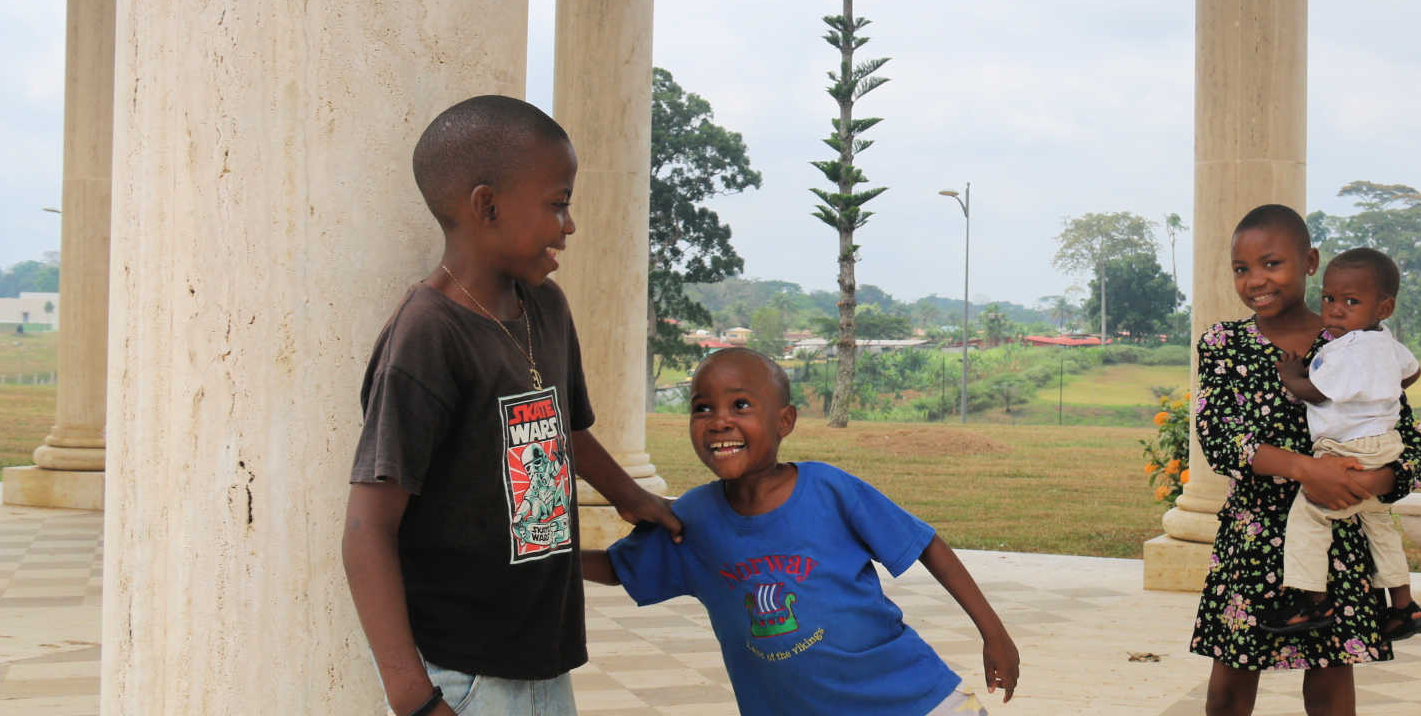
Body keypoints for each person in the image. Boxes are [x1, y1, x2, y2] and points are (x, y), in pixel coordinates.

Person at [341, 95, 683, 716]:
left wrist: (634, 499)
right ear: (487, 206)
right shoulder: (427, 336)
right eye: (558, 203)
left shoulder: (545, 308)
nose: (569, 225)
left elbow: (565, 432)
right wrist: (413, 697)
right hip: (465, 674)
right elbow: (368, 528)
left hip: (542, 654)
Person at [586, 347, 1018, 716]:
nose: (719, 421)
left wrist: (993, 632)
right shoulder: (695, 518)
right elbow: (617, 568)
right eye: (702, 407)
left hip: (910, 700)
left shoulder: (830, 490)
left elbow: (926, 545)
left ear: (784, 421)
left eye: (740, 406)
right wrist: (539, 554)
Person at [1190, 204, 1421, 716]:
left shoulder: (1357, 342)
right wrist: (1307, 469)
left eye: (1272, 264)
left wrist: (1370, 480)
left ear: (1309, 262)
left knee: (1329, 677)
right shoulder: (1223, 344)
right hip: (1253, 538)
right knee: (1231, 680)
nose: (1257, 280)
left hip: (1337, 536)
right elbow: (1219, 437)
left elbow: (1410, 440)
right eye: (1242, 269)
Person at [1261, 248, 1421, 642]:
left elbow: (1314, 393)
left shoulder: (1349, 347)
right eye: (1329, 298)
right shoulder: (1384, 341)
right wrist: (1381, 393)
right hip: (1384, 445)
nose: (1336, 310)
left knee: (1309, 517)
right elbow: (1413, 371)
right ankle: (1404, 605)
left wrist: (1289, 375)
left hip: (1348, 450)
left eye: (1351, 302)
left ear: (1384, 306)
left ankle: (1311, 600)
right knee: (1379, 523)